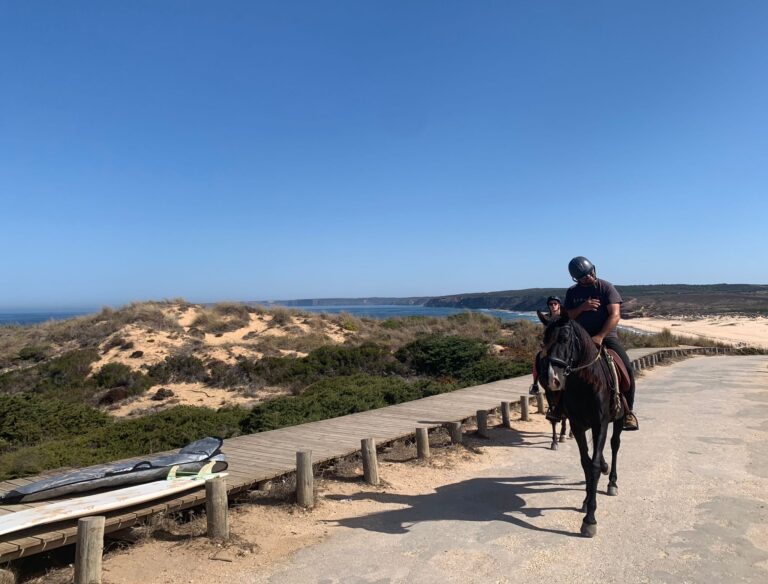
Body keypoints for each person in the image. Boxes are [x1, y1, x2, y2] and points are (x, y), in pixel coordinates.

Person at [563, 256, 639, 431]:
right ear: (576, 279)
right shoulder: (572, 293)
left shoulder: (606, 288)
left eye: (590, 273)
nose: (589, 277)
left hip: (607, 337)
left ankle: (628, 413)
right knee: (558, 365)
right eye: (583, 276)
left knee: (626, 368)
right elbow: (567, 316)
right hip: (580, 340)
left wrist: (600, 336)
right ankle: (558, 408)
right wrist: (582, 307)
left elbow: (615, 315)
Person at [529, 296, 562, 395]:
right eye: (550, 304)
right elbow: (545, 332)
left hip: (562, 343)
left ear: (559, 305)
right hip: (550, 344)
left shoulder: (564, 316)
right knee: (538, 358)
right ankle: (535, 384)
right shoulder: (546, 317)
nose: (553, 306)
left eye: (555, 303)